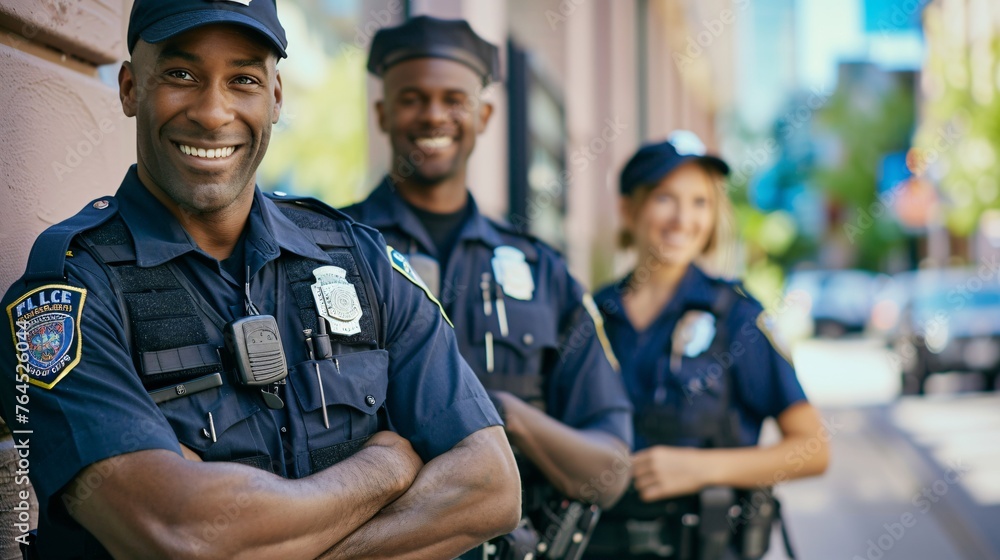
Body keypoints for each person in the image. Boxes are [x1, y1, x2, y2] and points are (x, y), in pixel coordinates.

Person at [0, 1, 522, 558]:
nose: (213, 111)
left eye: (244, 79)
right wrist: (385, 467)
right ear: (130, 88)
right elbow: (182, 536)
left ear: (275, 98)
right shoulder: (63, 299)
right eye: (181, 75)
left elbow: (491, 486)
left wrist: (269, 542)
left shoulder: (359, 259)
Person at [342, 15, 634, 560]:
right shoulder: (325, 253)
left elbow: (610, 472)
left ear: (484, 114)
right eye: (412, 98)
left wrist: (504, 416)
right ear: (382, 113)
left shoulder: (545, 274)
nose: (433, 115)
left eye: (454, 98)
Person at [585, 134, 829, 560]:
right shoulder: (591, 314)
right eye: (666, 198)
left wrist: (700, 470)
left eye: (700, 202)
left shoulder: (736, 316)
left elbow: (813, 449)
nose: (684, 218)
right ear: (629, 208)